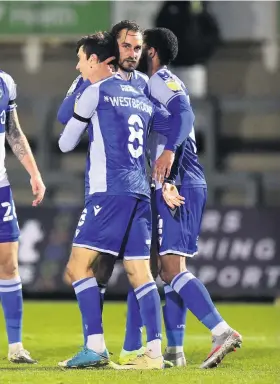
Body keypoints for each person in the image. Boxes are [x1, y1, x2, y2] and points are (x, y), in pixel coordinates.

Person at [57, 31, 192, 370]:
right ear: (117, 50)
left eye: (137, 47)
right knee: (138, 270)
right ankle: (155, 352)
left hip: (108, 190)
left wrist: (84, 87)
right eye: (128, 46)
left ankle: (95, 346)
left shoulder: (97, 89)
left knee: (76, 269)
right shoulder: (143, 87)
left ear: (96, 59)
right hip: (140, 191)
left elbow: (64, 140)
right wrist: (168, 156)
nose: (134, 52)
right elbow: (172, 121)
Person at [139, 27, 242, 369]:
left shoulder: (161, 80)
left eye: (141, 47)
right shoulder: (154, 84)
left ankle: (221, 331)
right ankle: (175, 351)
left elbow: (185, 114)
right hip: (173, 182)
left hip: (181, 182)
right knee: (169, 271)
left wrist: (168, 157)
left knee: (171, 268)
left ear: (151, 52)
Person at [0, 70, 46, 363]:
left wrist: (34, 173)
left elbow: (14, 133)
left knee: (9, 263)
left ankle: (16, 347)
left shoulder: (5, 83)